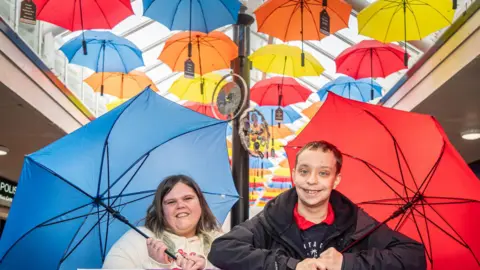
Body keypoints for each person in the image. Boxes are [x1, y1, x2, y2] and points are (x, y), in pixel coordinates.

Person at [208, 141, 427, 270]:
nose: (312, 180)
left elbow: (414, 256)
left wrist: (346, 263)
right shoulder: (272, 219)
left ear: (336, 179)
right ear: (294, 175)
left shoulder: (357, 222)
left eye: (323, 173)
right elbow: (222, 249)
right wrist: (291, 266)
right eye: (304, 171)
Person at [103, 174, 222, 269]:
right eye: (171, 202)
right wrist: (155, 265)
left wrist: (207, 267)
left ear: (201, 203)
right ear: (161, 210)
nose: (180, 205)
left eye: (188, 198)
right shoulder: (137, 239)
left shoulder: (221, 241)